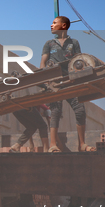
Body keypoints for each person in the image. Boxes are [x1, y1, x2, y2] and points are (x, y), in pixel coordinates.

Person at [40, 16, 96, 153]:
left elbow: (79, 60)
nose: (51, 25)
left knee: (80, 110)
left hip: (71, 80)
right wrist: (43, 79)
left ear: (64, 26)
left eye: (54, 23)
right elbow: (43, 63)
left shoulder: (74, 43)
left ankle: (82, 144)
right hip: (55, 81)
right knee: (55, 111)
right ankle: (53, 144)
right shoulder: (49, 43)